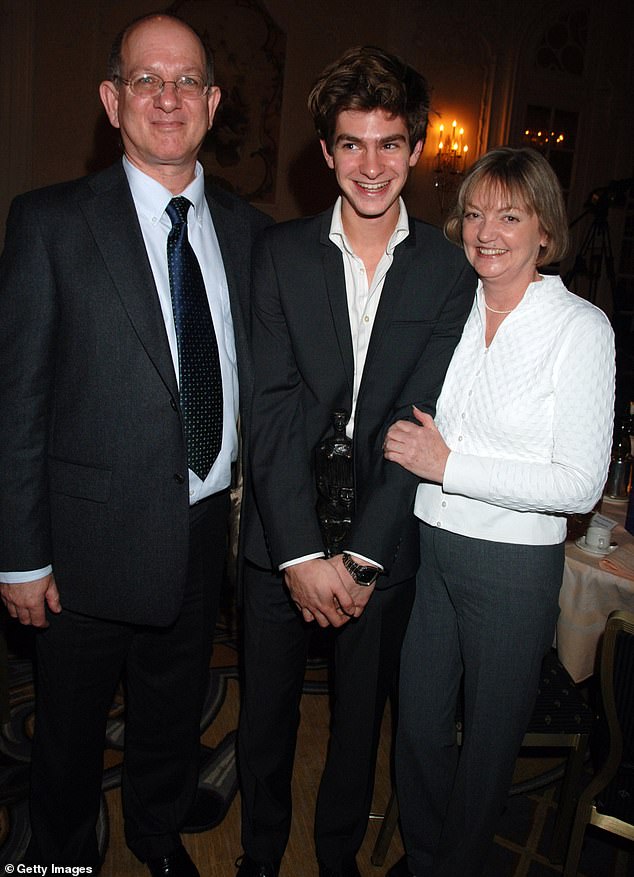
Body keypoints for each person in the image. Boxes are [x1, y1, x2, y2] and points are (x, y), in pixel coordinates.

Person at [0, 13, 270, 877]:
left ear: (213, 102)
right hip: (81, 546)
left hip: (201, 535)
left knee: (171, 714)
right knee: (68, 738)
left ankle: (156, 838)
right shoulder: (47, 223)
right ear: (112, 100)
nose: (168, 96)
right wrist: (19, 557)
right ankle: (63, 858)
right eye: (146, 80)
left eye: (187, 80)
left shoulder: (249, 230)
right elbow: (18, 403)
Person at [236, 46, 475, 877]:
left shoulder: (450, 270)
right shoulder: (279, 253)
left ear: (414, 148)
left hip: (383, 542)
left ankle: (336, 857)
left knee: (355, 725)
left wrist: (364, 556)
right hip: (280, 543)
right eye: (351, 144)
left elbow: (422, 418)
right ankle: (259, 856)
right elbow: (265, 412)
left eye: (389, 144)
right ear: (328, 152)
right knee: (261, 720)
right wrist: (301, 555)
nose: (370, 166)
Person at [383, 146, 616, 877]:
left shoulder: (580, 326)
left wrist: (450, 465)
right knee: (418, 725)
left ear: (544, 228)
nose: (487, 231)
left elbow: (580, 484)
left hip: (514, 567)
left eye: (509, 215)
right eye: (476, 212)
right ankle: (424, 855)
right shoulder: (452, 305)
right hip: (434, 548)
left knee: (487, 746)